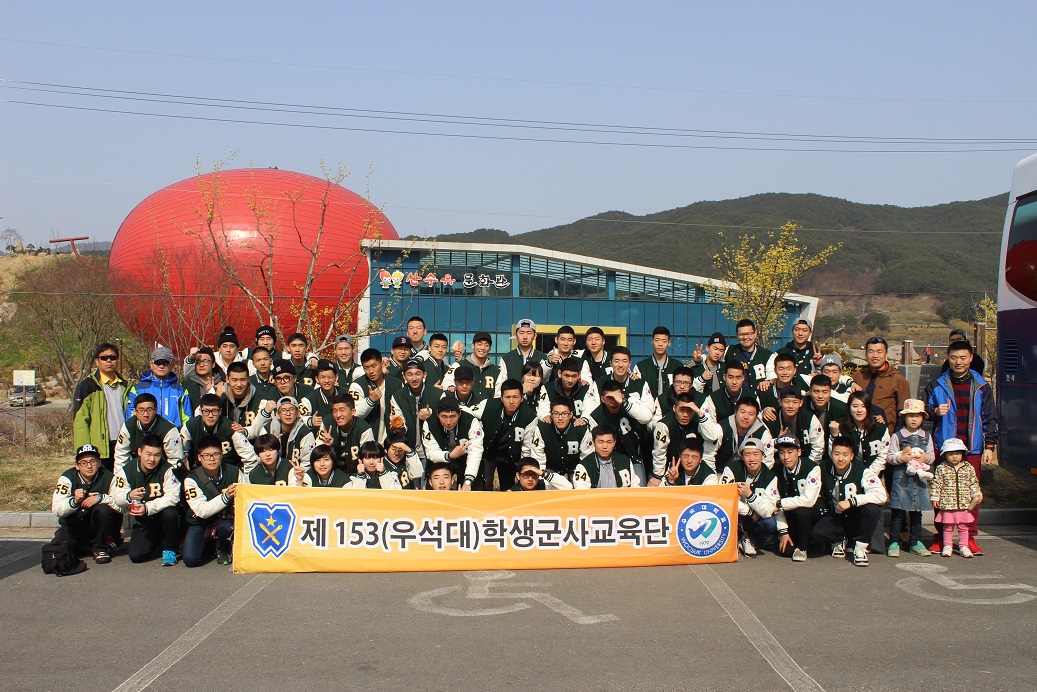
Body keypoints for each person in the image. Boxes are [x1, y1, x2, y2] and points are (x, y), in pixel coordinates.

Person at [924, 340, 996, 556]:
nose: (958, 362)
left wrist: (990, 446)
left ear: (971, 358)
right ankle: (940, 537)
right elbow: (923, 410)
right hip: (944, 446)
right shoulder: (937, 385)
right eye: (954, 358)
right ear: (948, 358)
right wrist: (934, 411)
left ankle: (969, 538)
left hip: (972, 447)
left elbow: (990, 417)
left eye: (963, 357)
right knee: (941, 491)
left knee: (972, 492)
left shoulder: (982, 386)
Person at [811, 435, 887, 567]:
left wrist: (852, 501)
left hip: (857, 517)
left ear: (852, 456)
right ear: (831, 453)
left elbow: (881, 496)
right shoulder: (822, 467)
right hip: (836, 516)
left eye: (845, 454)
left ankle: (860, 548)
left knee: (872, 509)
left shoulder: (862, 470)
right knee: (818, 534)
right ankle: (838, 540)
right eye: (837, 454)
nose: (840, 458)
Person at [112, 434, 181, 566]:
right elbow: (116, 497)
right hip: (145, 521)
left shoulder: (168, 470)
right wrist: (129, 496)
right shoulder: (126, 471)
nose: (152, 459)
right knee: (136, 556)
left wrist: (148, 507)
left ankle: (170, 548)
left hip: (163, 516)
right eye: (148, 454)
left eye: (157, 455)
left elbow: (173, 497)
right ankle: (158, 540)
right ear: (139, 452)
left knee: (171, 513)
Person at [51, 444, 123, 564]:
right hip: (75, 525)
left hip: (99, 526)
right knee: (58, 549)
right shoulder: (67, 478)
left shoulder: (109, 477)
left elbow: (122, 505)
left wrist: (101, 498)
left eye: (93, 461)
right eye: (83, 463)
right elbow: (57, 509)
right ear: (77, 466)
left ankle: (100, 548)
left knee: (103, 509)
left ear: (99, 463)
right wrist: (73, 501)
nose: (89, 466)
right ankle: (85, 545)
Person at [886, 399, 935, 558]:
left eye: (918, 416)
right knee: (898, 512)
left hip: (919, 481)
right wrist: (901, 458)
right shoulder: (897, 436)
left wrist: (925, 458)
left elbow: (932, 456)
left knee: (916, 513)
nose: (914, 419)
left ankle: (916, 541)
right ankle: (894, 541)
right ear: (904, 417)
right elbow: (890, 457)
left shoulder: (927, 436)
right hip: (901, 480)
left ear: (923, 418)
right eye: (910, 416)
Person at [182, 436, 241, 567]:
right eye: (206, 456)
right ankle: (209, 545)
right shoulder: (191, 479)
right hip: (200, 522)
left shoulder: (235, 472)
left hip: (226, 519)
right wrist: (225, 497)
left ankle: (223, 548)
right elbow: (202, 511)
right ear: (199, 457)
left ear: (221, 454)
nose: (212, 459)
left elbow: (246, 497)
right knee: (191, 560)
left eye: (215, 454)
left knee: (227, 526)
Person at [73, 342, 130, 473]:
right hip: (100, 449)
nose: (109, 361)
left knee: (121, 482)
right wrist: (84, 451)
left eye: (113, 357)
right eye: (104, 358)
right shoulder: (88, 386)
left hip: (123, 445)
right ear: (97, 362)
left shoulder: (126, 385)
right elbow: (80, 421)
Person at [720, 439, 778, 558]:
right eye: (747, 454)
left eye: (756, 454)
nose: (752, 459)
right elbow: (723, 497)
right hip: (735, 513)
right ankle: (732, 540)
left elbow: (767, 511)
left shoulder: (770, 477)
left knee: (770, 523)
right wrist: (749, 511)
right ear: (742, 456)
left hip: (756, 518)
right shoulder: (731, 469)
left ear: (763, 456)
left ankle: (749, 540)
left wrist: (750, 495)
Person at [479, 378, 538, 490]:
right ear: (501, 398)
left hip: (510, 455)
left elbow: (526, 447)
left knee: (508, 489)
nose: (511, 401)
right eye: (507, 397)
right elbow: (468, 412)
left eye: (515, 397)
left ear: (522, 398)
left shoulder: (529, 417)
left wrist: (524, 468)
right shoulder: (488, 404)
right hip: (489, 452)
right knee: (484, 486)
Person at [930, 438, 984, 558]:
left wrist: (976, 494)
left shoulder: (968, 468)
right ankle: (947, 545)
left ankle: (964, 546)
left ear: (963, 454)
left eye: (957, 453)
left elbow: (973, 483)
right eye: (950, 454)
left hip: (964, 504)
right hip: (947, 504)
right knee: (948, 527)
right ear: (945, 455)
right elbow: (937, 483)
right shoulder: (941, 468)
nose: (954, 456)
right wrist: (935, 497)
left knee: (963, 527)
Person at [588, 380, 648, 484]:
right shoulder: (595, 416)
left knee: (640, 488)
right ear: (603, 399)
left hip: (633, 456)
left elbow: (646, 418)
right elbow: (594, 443)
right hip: (609, 459)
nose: (614, 401)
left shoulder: (630, 405)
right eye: (609, 398)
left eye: (616, 397)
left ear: (622, 396)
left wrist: (624, 402)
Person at [773, 435, 822, 562]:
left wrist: (781, 503)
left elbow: (808, 500)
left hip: (813, 512)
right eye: (782, 452)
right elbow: (775, 504)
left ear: (799, 452)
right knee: (786, 551)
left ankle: (803, 548)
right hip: (790, 514)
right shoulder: (776, 471)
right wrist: (783, 531)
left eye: (790, 452)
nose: (786, 457)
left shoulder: (812, 468)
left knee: (801, 511)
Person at [180, 393, 259, 472]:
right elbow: (180, 455)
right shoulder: (190, 426)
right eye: (206, 411)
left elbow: (250, 457)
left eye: (214, 411)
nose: (210, 415)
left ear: (220, 411)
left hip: (228, 471)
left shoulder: (231, 428)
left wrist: (244, 476)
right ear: (200, 411)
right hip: (201, 471)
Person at [422, 396, 485, 490]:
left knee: (473, 487)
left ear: (459, 414)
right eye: (444, 417)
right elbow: (432, 452)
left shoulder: (471, 422)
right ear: (438, 415)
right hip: (441, 460)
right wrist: (450, 455)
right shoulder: (429, 424)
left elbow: (475, 451)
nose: (448, 422)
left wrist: (468, 480)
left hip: (465, 458)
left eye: (452, 417)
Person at [850, 336, 911, 432]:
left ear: (886, 355)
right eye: (871, 351)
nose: (875, 355)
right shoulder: (857, 376)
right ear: (865, 355)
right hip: (858, 432)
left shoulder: (897, 379)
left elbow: (903, 412)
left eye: (879, 352)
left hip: (886, 434)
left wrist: (897, 436)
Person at [113, 393, 184, 472]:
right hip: (137, 470)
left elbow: (175, 459)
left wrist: (168, 477)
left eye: (149, 410)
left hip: (161, 471)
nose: (145, 414)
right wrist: (120, 476)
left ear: (156, 410)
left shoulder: (169, 429)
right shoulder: (128, 426)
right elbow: (121, 455)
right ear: (135, 411)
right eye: (141, 410)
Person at [387, 357, 440, 465]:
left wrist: (431, 417)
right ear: (404, 376)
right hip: (408, 450)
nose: (414, 378)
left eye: (418, 374)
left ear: (424, 375)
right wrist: (399, 428)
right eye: (410, 374)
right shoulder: (398, 396)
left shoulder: (437, 394)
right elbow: (398, 419)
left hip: (433, 450)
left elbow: (447, 421)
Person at [524, 399, 594, 479]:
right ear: (550, 414)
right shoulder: (542, 429)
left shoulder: (581, 430)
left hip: (575, 469)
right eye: (556, 414)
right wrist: (541, 479)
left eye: (564, 414)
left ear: (571, 414)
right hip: (550, 469)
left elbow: (586, 457)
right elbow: (538, 457)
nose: (560, 418)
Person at [703, 396, 774, 474]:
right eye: (742, 412)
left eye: (751, 414)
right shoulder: (722, 428)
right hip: (718, 472)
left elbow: (768, 461)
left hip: (747, 475)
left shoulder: (763, 433)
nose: (746, 417)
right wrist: (713, 477)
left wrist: (751, 477)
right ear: (736, 412)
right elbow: (708, 455)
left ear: (756, 416)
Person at [126, 345, 192, 428]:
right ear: (151, 364)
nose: (161, 366)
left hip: (173, 434)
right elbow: (131, 417)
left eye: (165, 363)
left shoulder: (180, 391)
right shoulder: (138, 389)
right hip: (146, 435)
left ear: (172, 366)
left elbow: (187, 418)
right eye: (158, 362)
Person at [650, 392, 708, 485]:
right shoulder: (664, 425)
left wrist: (700, 413)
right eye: (681, 410)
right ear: (674, 408)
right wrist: (658, 476)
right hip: (668, 467)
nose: (685, 415)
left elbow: (712, 437)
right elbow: (659, 453)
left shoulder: (698, 421)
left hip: (692, 468)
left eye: (689, 410)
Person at [349, 348, 403, 443]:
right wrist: (370, 401)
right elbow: (354, 414)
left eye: (373, 366)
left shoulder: (396, 384)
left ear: (382, 364)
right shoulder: (357, 385)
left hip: (392, 441)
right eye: (366, 368)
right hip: (367, 442)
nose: (371, 371)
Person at [829, 391, 889, 475]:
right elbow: (834, 454)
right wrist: (834, 436)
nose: (859, 410)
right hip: (847, 475)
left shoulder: (880, 429)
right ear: (849, 408)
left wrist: (868, 474)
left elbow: (883, 455)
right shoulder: (841, 427)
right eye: (855, 406)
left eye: (863, 406)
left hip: (874, 475)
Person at [761, 388, 825, 463]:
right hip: (777, 463)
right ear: (780, 401)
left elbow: (818, 448)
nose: (790, 406)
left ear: (801, 403)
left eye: (795, 402)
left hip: (804, 461)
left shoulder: (809, 418)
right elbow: (763, 448)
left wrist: (808, 466)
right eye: (786, 402)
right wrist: (776, 441)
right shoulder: (770, 418)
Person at [319, 394, 376, 473]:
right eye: (334, 411)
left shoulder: (364, 429)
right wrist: (327, 447)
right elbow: (317, 455)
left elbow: (369, 459)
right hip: (332, 473)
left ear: (353, 411)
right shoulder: (327, 423)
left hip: (357, 474)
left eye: (342, 410)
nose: (338, 415)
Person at [572, 425, 641, 489]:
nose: (605, 446)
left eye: (609, 442)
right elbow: (582, 491)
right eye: (600, 442)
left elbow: (635, 486)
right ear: (593, 442)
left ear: (614, 443)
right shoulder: (584, 465)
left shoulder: (625, 461)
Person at [635, 326, 682, 413]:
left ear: (669, 343)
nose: (660, 344)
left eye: (664, 341)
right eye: (657, 340)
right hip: (648, 413)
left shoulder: (677, 366)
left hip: (671, 412)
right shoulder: (641, 367)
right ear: (652, 341)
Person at [496, 318, 549, 395]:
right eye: (521, 333)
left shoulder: (542, 358)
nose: (525, 336)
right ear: (515, 335)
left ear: (535, 336)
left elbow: (546, 383)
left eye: (529, 333)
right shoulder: (506, 359)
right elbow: (499, 388)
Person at [535, 357, 598, 421]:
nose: (570, 380)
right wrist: (546, 417)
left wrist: (584, 419)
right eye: (567, 376)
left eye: (574, 376)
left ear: (579, 375)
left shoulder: (585, 388)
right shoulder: (548, 388)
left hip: (578, 424)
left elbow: (590, 407)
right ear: (559, 373)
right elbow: (543, 409)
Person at [442, 332, 499, 398]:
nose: (482, 348)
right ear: (473, 346)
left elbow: (499, 395)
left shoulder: (496, 371)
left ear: (490, 348)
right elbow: (447, 380)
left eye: (486, 345)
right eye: (479, 344)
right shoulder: (459, 365)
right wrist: (450, 386)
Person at [221, 361, 271, 437]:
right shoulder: (219, 395)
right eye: (234, 380)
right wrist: (217, 398)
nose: (239, 384)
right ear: (227, 379)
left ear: (248, 379)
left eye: (242, 380)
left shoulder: (262, 399)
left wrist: (245, 431)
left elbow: (264, 429)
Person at [727, 319, 776, 394]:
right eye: (741, 334)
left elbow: (772, 377)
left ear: (755, 334)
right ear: (736, 335)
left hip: (758, 399)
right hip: (735, 398)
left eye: (748, 334)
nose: (745, 337)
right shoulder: (729, 351)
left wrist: (768, 381)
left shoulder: (767, 355)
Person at [699, 361, 752, 426]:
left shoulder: (752, 397)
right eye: (730, 377)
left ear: (743, 378)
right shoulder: (713, 398)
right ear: (724, 377)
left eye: (738, 378)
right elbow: (709, 425)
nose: (734, 382)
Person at [758, 352, 806, 423]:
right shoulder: (764, 390)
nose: (785, 373)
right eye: (781, 369)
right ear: (775, 370)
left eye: (788, 369)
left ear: (794, 370)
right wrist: (763, 412)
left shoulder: (802, 383)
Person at [805, 374, 848, 452]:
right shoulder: (802, 406)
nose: (820, 396)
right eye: (816, 391)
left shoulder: (841, 409)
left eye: (825, 392)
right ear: (810, 391)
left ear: (830, 392)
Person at [183, 346, 226, 410]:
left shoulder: (222, 384)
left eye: (205, 361)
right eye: (198, 362)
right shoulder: (188, 385)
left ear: (213, 364)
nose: (201, 365)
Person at [691, 333, 728, 401]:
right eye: (715, 348)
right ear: (707, 348)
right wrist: (702, 379)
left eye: (721, 350)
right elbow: (691, 392)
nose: (717, 353)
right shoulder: (695, 370)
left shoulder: (726, 368)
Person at [509, 457, 574, 491]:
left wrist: (543, 473)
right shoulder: (512, 493)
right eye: (526, 475)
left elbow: (568, 487)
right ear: (518, 476)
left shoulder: (545, 485)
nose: (530, 479)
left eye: (534, 475)